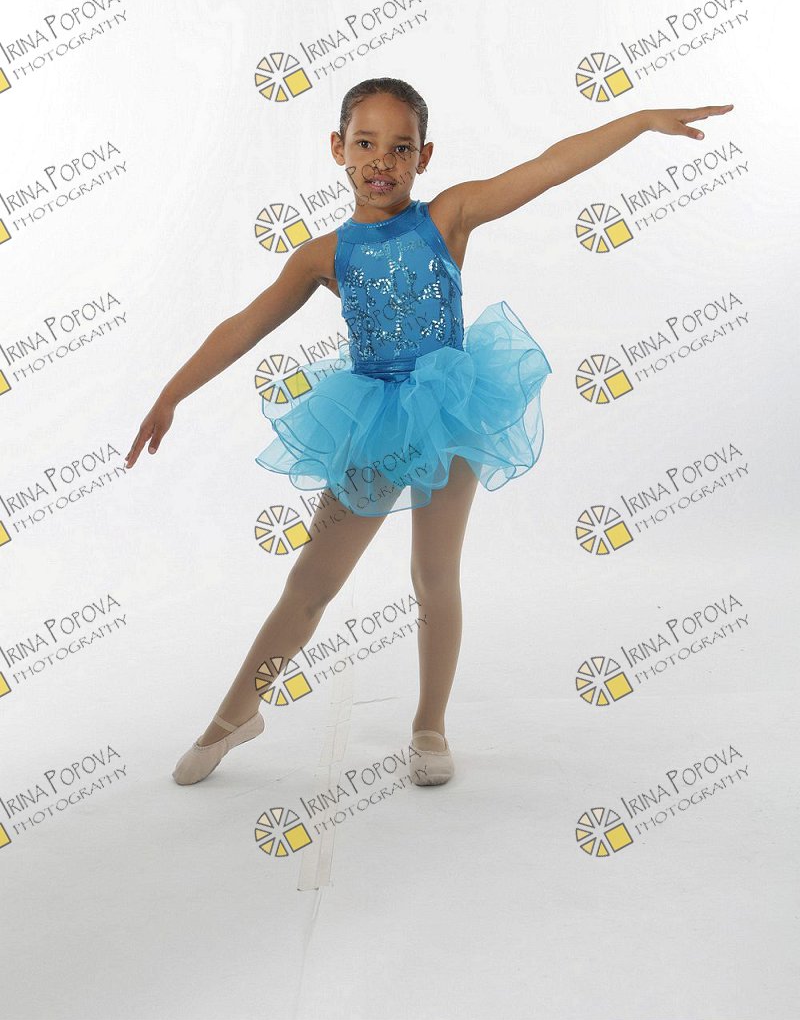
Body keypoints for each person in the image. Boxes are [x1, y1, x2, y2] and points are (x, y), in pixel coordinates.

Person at [124, 77, 733, 788]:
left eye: (401, 147)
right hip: (374, 421)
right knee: (310, 582)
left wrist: (640, 120)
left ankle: (429, 724)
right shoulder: (324, 255)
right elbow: (244, 326)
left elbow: (549, 165)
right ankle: (234, 715)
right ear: (338, 148)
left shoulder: (448, 216)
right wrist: (171, 394)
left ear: (424, 156)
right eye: (365, 143)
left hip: (449, 412)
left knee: (434, 575)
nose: (382, 161)